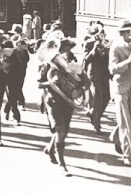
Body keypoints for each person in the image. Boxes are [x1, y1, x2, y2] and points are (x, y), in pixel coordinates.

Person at [37, 36, 90, 176]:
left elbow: (87, 81)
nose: (62, 55)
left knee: (63, 132)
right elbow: (39, 84)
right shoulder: (47, 67)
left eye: (64, 51)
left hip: (68, 103)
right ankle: (62, 165)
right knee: (60, 130)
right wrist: (51, 83)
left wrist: (80, 90)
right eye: (61, 51)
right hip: (53, 102)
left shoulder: (72, 65)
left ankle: (50, 149)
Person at [108, 19, 131, 166]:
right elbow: (112, 69)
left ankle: (115, 137)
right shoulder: (115, 47)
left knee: (129, 121)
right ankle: (127, 155)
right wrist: (128, 61)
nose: (125, 35)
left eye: (127, 32)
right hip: (121, 87)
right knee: (126, 124)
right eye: (122, 32)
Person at [82, 23, 112, 134]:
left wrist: (107, 50)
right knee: (98, 100)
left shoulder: (107, 42)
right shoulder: (89, 44)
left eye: (102, 33)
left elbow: (109, 59)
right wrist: (94, 49)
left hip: (105, 74)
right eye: (100, 33)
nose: (102, 35)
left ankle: (92, 113)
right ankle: (96, 124)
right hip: (94, 75)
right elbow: (86, 59)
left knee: (107, 98)